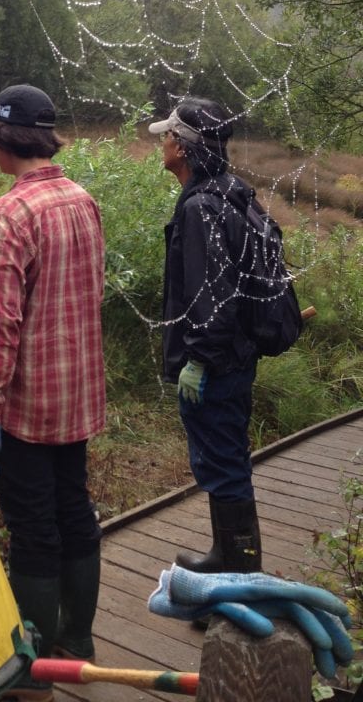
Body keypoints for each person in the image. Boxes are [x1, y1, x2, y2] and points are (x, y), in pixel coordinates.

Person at [0, 84, 106, 700]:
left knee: (33, 529)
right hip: (76, 394)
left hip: (25, 405)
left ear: (4, 138)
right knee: (74, 510)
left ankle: (30, 674)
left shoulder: (9, 215)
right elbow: (89, 294)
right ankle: (75, 643)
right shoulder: (82, 200)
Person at [148, 96, 262, 574]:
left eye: (168, 137)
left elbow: (211, 295)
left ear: (184, 146)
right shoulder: (234, 191)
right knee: (227, 460)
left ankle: (239, 571)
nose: (162, 145)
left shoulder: (200, 207)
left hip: (215, 364)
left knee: (224, 465)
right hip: (236, 356)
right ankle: (230, 562)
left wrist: (197, 360)